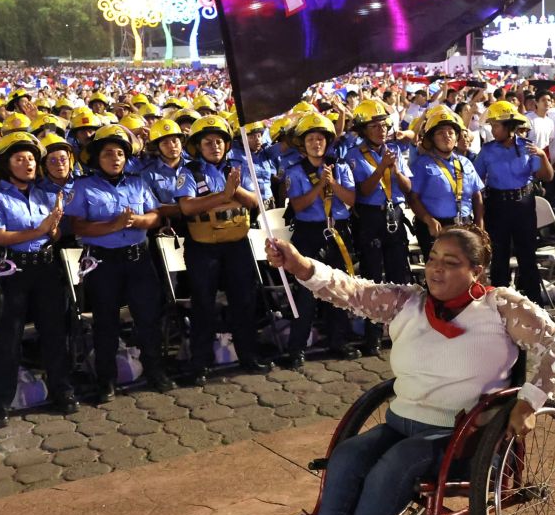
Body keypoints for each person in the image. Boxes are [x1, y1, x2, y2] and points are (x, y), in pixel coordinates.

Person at [263, 226, 555, 515]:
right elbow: (349, 290)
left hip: (463, 438)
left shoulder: (501, 307)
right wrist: (298, 264)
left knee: (398, 462)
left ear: (477, 271)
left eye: (451, 263)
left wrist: (529, 401)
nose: (436, 270)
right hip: (400, 421)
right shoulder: (408, 301)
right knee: (347, 456)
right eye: (432, 259)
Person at [64, 125, 169, 402]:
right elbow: (79, 227)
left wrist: (137, 221)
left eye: (120, 154)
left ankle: (155, 370)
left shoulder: (138, 182)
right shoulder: (83, 186)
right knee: (105, 323)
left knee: (148, 319)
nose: (115, 159)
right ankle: (106, 381)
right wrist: (115, 224)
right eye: (108, 154)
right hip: (103, 263)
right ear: (97, 158)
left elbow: (155, 216)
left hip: (139, 259)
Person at [0, 132, 76, 428]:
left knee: (54, 332)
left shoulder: (46, 194)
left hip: (46, 268)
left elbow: (54, 235)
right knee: (8, 339)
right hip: (14, 271)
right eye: (20, 159)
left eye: (32, 159)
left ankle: (62, 390)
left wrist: (54, 227)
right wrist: (40, 230)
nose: (28, 164)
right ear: (6, 164)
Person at [173, 115, 264, 378]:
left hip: (237, 245)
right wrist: (222, 195)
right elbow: (187, 206)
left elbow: (255, 201)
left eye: (219, 141)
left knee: (244, 301)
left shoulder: (239, 166)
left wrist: (232, 192)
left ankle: (248, 355)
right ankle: (200, 362)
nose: (214, 146)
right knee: (203, 304)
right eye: (208, 142)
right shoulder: (188, 172)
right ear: (198, 147)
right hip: (203, 249)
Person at [282, 112, 358, 367]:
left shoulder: (341, 166)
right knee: (305, 293)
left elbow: (350, 200)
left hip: (337, 231)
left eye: (321, 139)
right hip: (309, 233)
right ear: (303, 144)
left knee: (338, 288)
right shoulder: (295, 171)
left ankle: (338, 340)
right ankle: (297, 348)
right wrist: (318, 186)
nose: (316, 143)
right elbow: (299, 205)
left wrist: (332, 183)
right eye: (311, 139)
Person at [347, 99, 415, 356]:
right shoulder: (354, 155)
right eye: (374, 125)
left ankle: (401, 331)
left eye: (383, 124)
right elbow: (362, 190)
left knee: (400, 276)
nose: (381, 129)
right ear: (363, 129)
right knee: (373, 278)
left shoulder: (395, 151)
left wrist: (395, 170)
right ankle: (372, 335)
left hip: (394, 215)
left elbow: (407, 189)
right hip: (370, 218)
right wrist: (380, 168)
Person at [474, 100, 553, 302]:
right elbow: (476, 181)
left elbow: (547, 176)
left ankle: (535, 304)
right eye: (491, 126)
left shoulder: (528, 148)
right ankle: (499, 304)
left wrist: (543, 156)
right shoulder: (487, 150)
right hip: (497, 206)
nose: (493, 130)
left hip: (524, 205)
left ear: (509, 127)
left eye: (496, 126)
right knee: (499, 257)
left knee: (527, 255)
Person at [409, 105, 484, 257]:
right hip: (437, 228)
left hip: (465, 225)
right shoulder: (422, 164)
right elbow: (412, 198)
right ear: (431, 138)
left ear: (457, 138)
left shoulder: (465, 162)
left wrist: (480, 227)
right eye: (440, 133)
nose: (447, 136)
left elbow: (477, 196)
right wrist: (428, 220)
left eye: (451, 132)